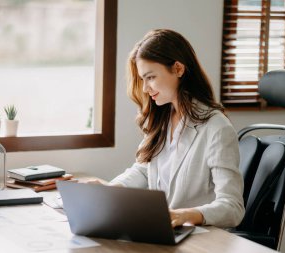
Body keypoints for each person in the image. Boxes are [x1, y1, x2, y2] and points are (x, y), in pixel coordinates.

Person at [95, 29, 245, 228]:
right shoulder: (163, 118)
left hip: (199, 238)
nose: (146, 89)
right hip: (161, 231)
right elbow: (144, 171)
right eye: (143, 79)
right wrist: (109, 190)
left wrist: (184, 215)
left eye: (151, 77)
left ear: (178, 69)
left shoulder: (217, 128)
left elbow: (232, 207)